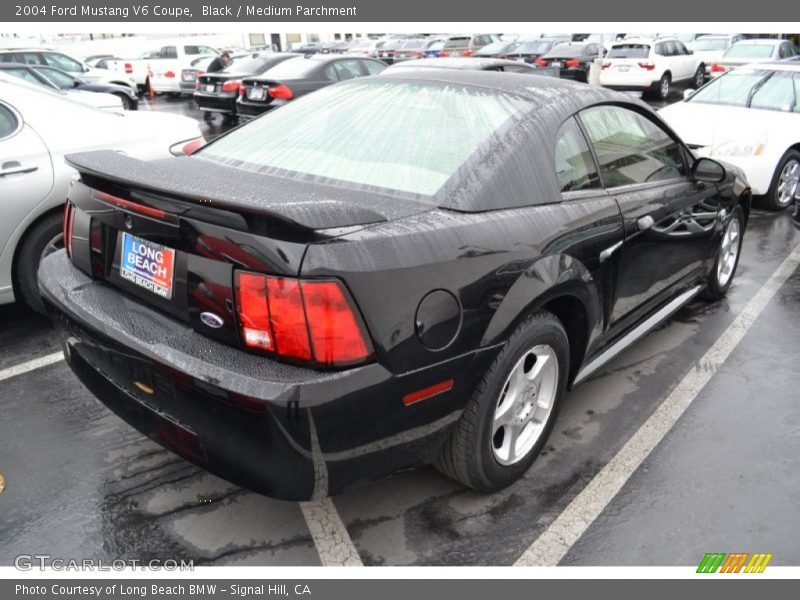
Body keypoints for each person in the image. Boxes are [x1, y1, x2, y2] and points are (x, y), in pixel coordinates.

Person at [203, 52, 232, 121]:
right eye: (228, 59)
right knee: (214, 97)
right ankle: (208, 115)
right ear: (225, 57)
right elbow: (226, 68)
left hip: (210, 80)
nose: (227, 60)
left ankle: (209, 115)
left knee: (212, 97)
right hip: (213, 81)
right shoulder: (220, 60)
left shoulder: (217, 60)